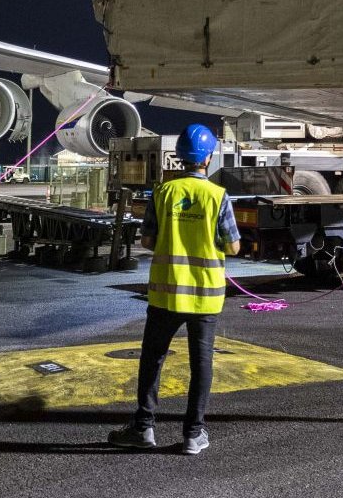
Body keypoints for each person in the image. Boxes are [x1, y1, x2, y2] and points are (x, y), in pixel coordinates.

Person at [109, 124, 240, 455]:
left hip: (166, 293)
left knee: (153, 358)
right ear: (207, 158)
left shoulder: (162, 193)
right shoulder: (218, 196)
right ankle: (193, 435)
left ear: (180, 157)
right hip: (205, 296)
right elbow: (233, 246)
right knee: (201, 363)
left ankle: (143, 428)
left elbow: (147, 241)